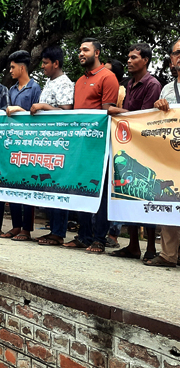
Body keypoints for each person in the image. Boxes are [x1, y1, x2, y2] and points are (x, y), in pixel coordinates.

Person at [62, 38, 119, 254]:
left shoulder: (108, 77)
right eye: (79, 50)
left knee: (101, 192)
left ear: (97, 53)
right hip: (80, 145)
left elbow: (108, 112)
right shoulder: (79, 81)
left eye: (85, 49)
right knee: (81, 188)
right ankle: (84, 235)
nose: (80, 53)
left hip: (100, 145)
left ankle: (99, 238)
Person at [106, 43, 162, 261]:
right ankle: (133, 246)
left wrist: (117, 111)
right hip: (128, 147)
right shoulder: (130, 84)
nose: (129, 61)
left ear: (145, 60)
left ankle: (150, 248)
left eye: (134, 57)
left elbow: (144, 118)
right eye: (128, 57)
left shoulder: (152, 84)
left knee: (146, 195)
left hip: (146, 148)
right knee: (128, 194)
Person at [26, 46, 75, 246]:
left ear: (56, 63)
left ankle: (58, 232)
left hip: (59, 143)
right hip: (46, 143)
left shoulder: (64, 83)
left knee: (58, 186)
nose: (43, 66)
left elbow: (67, 110)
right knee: (48, 187)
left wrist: (44, 107)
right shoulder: (49, 82)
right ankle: (52, 229)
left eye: (46, 63)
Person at [0, 50, 43, 242]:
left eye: (12, 67)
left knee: (28, 185)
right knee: (13, 184)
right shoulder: (11, 90)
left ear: (22, 67)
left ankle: (27, 228)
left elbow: (37, 115)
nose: (10, 70)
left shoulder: (35, 88)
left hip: (30, 142)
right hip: (14, 142)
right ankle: (16, 225)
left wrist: (20, 110)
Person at [146, 38, 180, 268]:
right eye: (178, 53)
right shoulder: (167, 88)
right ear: (171, 60)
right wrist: (159, 107)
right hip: (172, 154)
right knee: (171, 200)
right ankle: (168, 255)